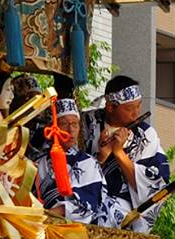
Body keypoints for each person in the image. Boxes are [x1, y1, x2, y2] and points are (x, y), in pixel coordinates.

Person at [83, 75, 170, 229]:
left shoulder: (146, 135)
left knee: (107, 215)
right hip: (85, 198)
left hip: (124, 208)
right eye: (129, 108)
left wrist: (118, 152)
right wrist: (101, 157)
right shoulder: (86, 123)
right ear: (110, 107)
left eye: (138, 106)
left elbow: (153, 186)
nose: (136, 113)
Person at [38, 96, 130, 227]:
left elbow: (88, 204)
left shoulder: (87, 162)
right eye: (64, 124)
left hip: (68, 230)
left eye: (75, 124)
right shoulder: (38, 162)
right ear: (53, 127)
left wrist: (43, 217)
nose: (71, 130)